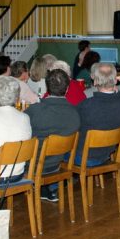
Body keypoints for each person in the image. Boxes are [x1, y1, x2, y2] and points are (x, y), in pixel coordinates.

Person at [25, 68, 80, 202]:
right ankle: (46, 189)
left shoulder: (34, 111)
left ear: (46, 87)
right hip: (57, 164)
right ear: (67, 89)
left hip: (31, 165)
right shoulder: (75, 114)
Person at [75, 63, 120, 166]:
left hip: (85, 157)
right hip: (108, 153)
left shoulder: (85, 105)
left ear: (95, 82)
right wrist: (119, 93)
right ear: (116, 80)